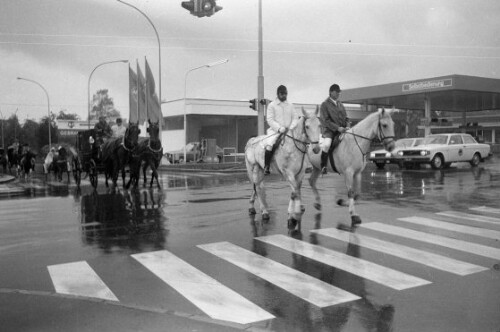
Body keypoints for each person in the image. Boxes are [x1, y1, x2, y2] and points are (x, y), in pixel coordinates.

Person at [264, 85, 299, 175]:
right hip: (275, 131)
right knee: (270, 145)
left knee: (299, 143)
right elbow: (270, 120)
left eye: (285, 94)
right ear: (278, 94)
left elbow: (295, 118)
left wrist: (291, 127)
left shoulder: (290, 105)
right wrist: (279, 128)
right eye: (282, 94)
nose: (284, 96)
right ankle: (266, 166)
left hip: (289, 131)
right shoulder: (272, 105)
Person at [319, 84, 350, 174]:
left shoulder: (340, 104)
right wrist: (337, 128)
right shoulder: (324, 105)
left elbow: (346, 117)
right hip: (329, 131)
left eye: (339, 92)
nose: (338, 94)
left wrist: (347, 126)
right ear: (331, 92)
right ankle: (323, 165)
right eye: (336, 92)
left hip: (343, 129)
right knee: (327, 145)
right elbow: (325, 120)